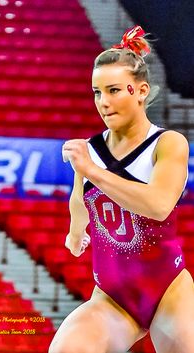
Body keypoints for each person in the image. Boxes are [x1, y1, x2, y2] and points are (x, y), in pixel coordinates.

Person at [49, 25, 194, 353]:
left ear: (140, 91)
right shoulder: (89, 150)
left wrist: (90, 170)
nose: (103, 102)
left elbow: (158, 205)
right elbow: (80, 199)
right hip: (111, 297)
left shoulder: (167, 144)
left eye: (114, 90)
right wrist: (76, 233)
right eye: (97, 92)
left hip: (167, 291)